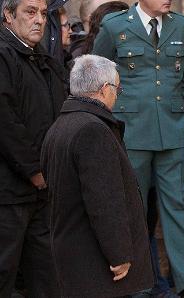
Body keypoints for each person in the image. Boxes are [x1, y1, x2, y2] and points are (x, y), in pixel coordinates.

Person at [90, 0, 184, 298]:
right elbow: (97, 73)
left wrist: (171, 101)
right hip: (131, 130)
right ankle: (138, 282)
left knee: (179, 208)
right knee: (133, 208)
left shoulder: (182, 27)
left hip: (171, 129)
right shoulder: (115, 27)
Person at [41, 55, 156, 297]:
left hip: (72, 256)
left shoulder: (60, 126)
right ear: (105, 90)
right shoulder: (93, 130)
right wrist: (120, 254)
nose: (117, 95)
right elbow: (105, 202)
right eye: (118, 89)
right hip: (94, 265)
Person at [0, 0, 65, 298]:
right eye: (30, 12)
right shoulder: (4, 55)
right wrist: (33, 169)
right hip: (9, 191)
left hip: (43, 188)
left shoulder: (43, 59)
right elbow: (5, 122)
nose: (39, 19)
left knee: (46, 275)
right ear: (8, 16)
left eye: (43, 13)